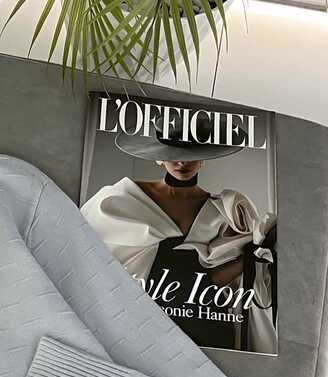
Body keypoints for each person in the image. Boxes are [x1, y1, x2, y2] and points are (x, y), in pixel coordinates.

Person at [81, 120, 277, 353]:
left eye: (191, 155)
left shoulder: (227, 211)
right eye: (173, 154)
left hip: (207, 323)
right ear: (158, 157)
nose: (182, 162)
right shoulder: (123, 199)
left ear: (203, 159)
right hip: (147, 323)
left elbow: (219, 279)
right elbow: (84, 254)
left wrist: (258, 253)